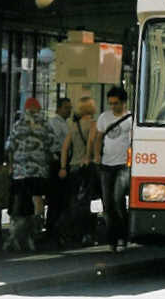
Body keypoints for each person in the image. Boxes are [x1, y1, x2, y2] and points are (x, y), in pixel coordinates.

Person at [3, 97, 57, 251]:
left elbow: (10, 147)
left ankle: (16, 235)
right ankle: (35, 230)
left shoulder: (18, 125)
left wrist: (12, 166)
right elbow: (53, 147)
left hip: (20, 172)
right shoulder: (45, 125)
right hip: (39, 170)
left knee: (20, 203)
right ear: (39, 109)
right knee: (37, 200)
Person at [89, 87, 133, 253]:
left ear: (123, 102)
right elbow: (98, 138)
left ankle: (123, 235)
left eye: (116, 103)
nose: (113, 107)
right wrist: (96, 155)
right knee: (107, 204)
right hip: (106, 165)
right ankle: (113, 239)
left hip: (123, 165)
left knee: (117, 200)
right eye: (111, 104)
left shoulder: (130, 119)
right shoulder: (104, 117)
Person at [58, 96, 97, 246]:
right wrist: (87, 158)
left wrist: (62, 167)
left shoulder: (73, 126)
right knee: (85, 202)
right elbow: (91, 143)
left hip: (73, 167)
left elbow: (65, 148)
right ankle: (85, 234)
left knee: (73, 200)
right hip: (86, 168)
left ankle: (69, 232)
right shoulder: (93, 124)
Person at [45, 96, 71, 241]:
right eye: (67, 107)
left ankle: (55, 227)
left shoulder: (65, 123)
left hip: (61, 160)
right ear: (59, 108)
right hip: (57, 162)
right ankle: (52, 228)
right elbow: (57, 143)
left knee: (60, 198)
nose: (69, 110)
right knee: (56, 197)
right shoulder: (55, 123)